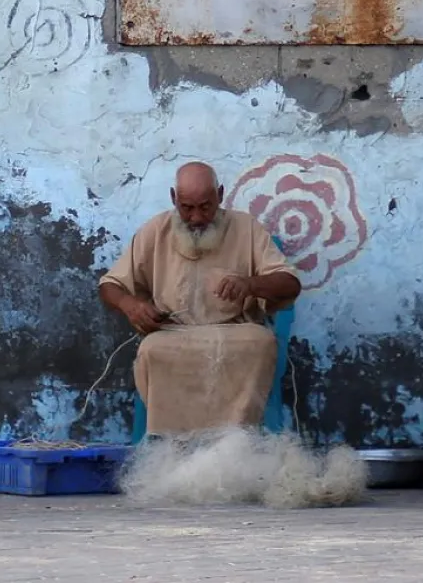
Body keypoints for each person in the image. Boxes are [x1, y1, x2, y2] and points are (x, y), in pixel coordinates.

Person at [98, 161, 302, 436]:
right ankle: (169, 443)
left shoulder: (247, 228)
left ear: (219, 194)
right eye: (186, 207)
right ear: (174, 198)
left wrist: (250, 284)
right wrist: (131, 305)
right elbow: (109, 285)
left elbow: (290, 284)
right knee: (152, 349)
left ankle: (234, 442)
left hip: (236, 333)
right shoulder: (155, 230)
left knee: (261, 342)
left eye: (205, 206)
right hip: (172, 333)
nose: (196, 218)